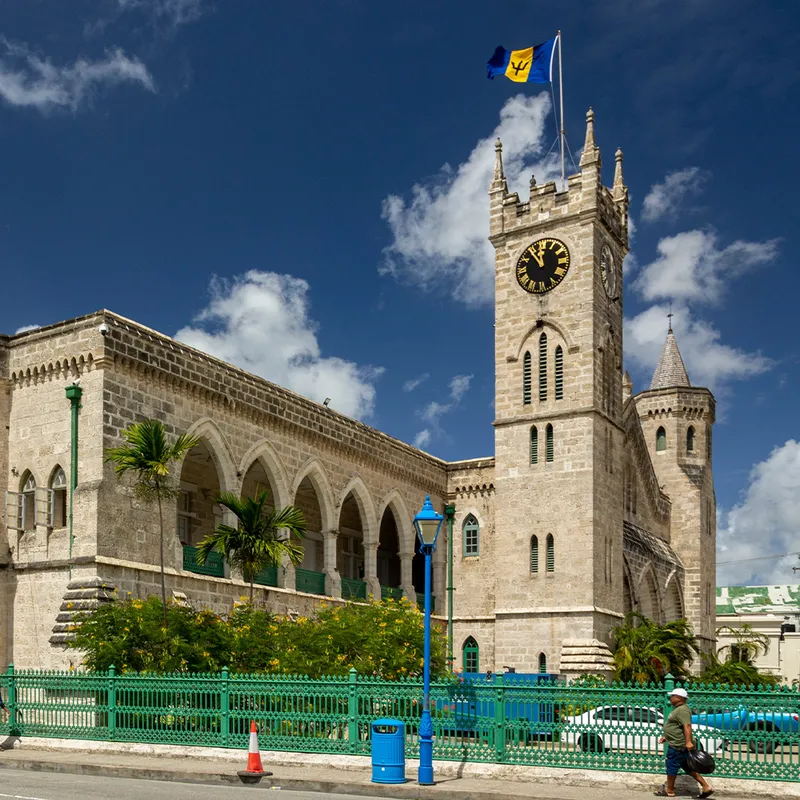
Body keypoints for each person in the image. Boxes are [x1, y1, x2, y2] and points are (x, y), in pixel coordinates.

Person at [656, 687, 713, 798]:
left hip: (678, 745)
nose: (670, 698)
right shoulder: (678, 709)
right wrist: (666, 737)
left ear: (678, 698)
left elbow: (686, 726)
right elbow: (676, 727)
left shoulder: (683, 710)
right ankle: (706, 787)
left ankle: (670, 790)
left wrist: (688, 742)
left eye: (672, 696)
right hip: (678, 743)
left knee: (671, 765)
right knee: (688, 767)